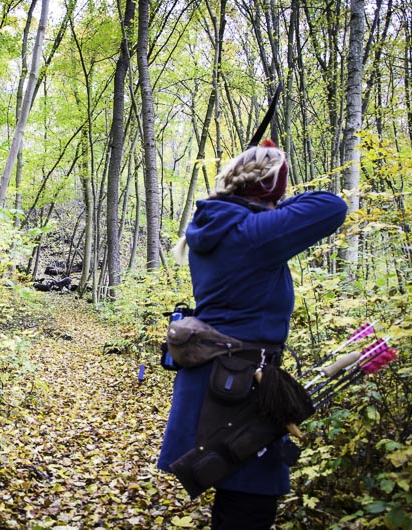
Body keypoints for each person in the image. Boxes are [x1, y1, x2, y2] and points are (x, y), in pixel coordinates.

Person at [157, 139, 348, 529]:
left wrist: (264, 191)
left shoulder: (220, 224)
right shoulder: (251, 234)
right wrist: (277, 191)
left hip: (223, 379)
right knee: (248, 504)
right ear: (268, 190)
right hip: (238, 384)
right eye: (279, 187)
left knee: (236, 496)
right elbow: (332, 206)